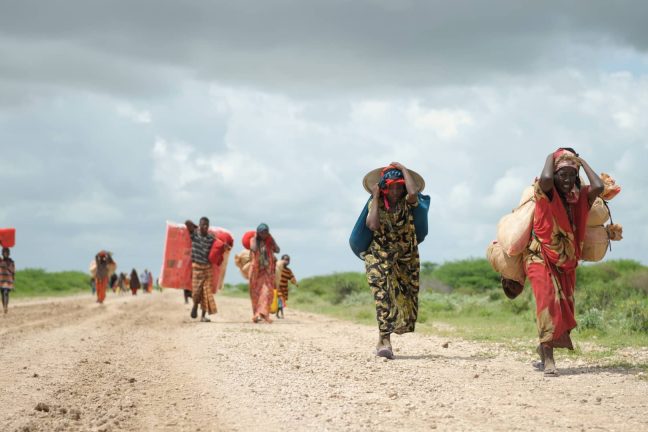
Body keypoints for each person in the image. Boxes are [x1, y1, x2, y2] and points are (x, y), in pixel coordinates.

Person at [506, 148, 602, 377]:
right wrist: (552, 156)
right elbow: (547, 178)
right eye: (563, 175)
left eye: (572, 175)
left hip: (566, 262)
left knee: (563, 308)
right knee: (548, 303)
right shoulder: (545, 192)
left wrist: (580, 162)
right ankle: (549, 360)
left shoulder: (580, 198)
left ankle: (543, 348)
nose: (567, 180)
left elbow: (599, 187)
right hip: (539, 255)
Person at [364, 162, 424, 359]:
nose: (397, 190)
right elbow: (372, 225)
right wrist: (375, 196)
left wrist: (404, 168)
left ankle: (382, 339)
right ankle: (386, 341)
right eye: (392, 186)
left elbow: (414, 192)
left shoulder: (408, 201)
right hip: (379, 256)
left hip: (405, 257)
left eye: (399, 186)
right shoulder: (376, 203)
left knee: (404, 295)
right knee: (383, 294)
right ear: (384, 187)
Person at [186, 217, 217, 322]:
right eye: (203, 225)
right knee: (196, 292)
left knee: (206, 293)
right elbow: (187, 222)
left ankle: (203, 316)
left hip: (207, 268)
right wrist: (196, 227)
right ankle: (195, 305)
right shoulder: (194, 234)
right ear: (199, 225)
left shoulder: (211, 238)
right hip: (197, 268)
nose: (205, 227)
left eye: (207, 225)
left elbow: (218, 246)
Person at [249, 223, 280, 323]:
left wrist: (271, 240)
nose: (264, 234)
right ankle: (257, 314)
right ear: (258, 232)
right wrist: (257, 240)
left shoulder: (269, 241)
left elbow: (278, 250)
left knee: (267, 292)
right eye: (262, 232)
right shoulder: (253, 240)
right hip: (256, 272)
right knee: (256, 294)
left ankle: (264, 314)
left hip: (267, 271)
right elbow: (253, 248)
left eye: (266, 232)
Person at [275, 254, 298, 319]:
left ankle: (277, 314)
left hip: (284, 289)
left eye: (288, 260)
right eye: (284, 259)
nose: (286, 261)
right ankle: (281, 314)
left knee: (281, 302)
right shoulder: (278, 268)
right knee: (281, 301)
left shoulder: (288, 270)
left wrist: (295, 283)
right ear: (281, 260)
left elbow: (291, 277)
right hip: (278, 288)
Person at [0, 247, 15, 314]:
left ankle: (6, 306)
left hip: (8, 280)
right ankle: (4, 306)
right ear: (2, 253)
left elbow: (13, 271)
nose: (5, 253)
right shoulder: (0, 261)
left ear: (9, 253)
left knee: (6, 293)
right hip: (1, 279)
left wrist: (13, 280)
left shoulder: (11, 261)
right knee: (2, 293)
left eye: (6, 252)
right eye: (3, 252)